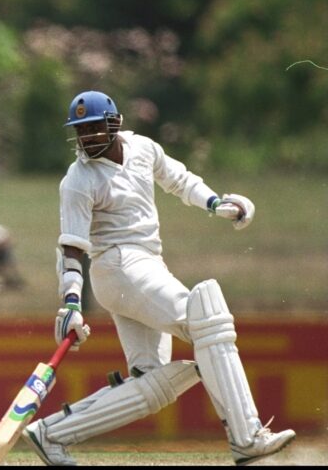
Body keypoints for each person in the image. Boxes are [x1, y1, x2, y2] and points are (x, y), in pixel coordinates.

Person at [22, 90, 295, 467]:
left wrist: (215, 203)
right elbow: (71, 246)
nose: (86, 137)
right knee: (207, 319)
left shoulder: (142, 148)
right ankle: (247, 436)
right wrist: (70, 302)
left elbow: (180, 180)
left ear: (113, 123)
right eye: (80, 130)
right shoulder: (78, 180)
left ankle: (50, 434)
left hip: (145, 265)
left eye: (92, 128)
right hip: (119, 267)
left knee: (153, 381)